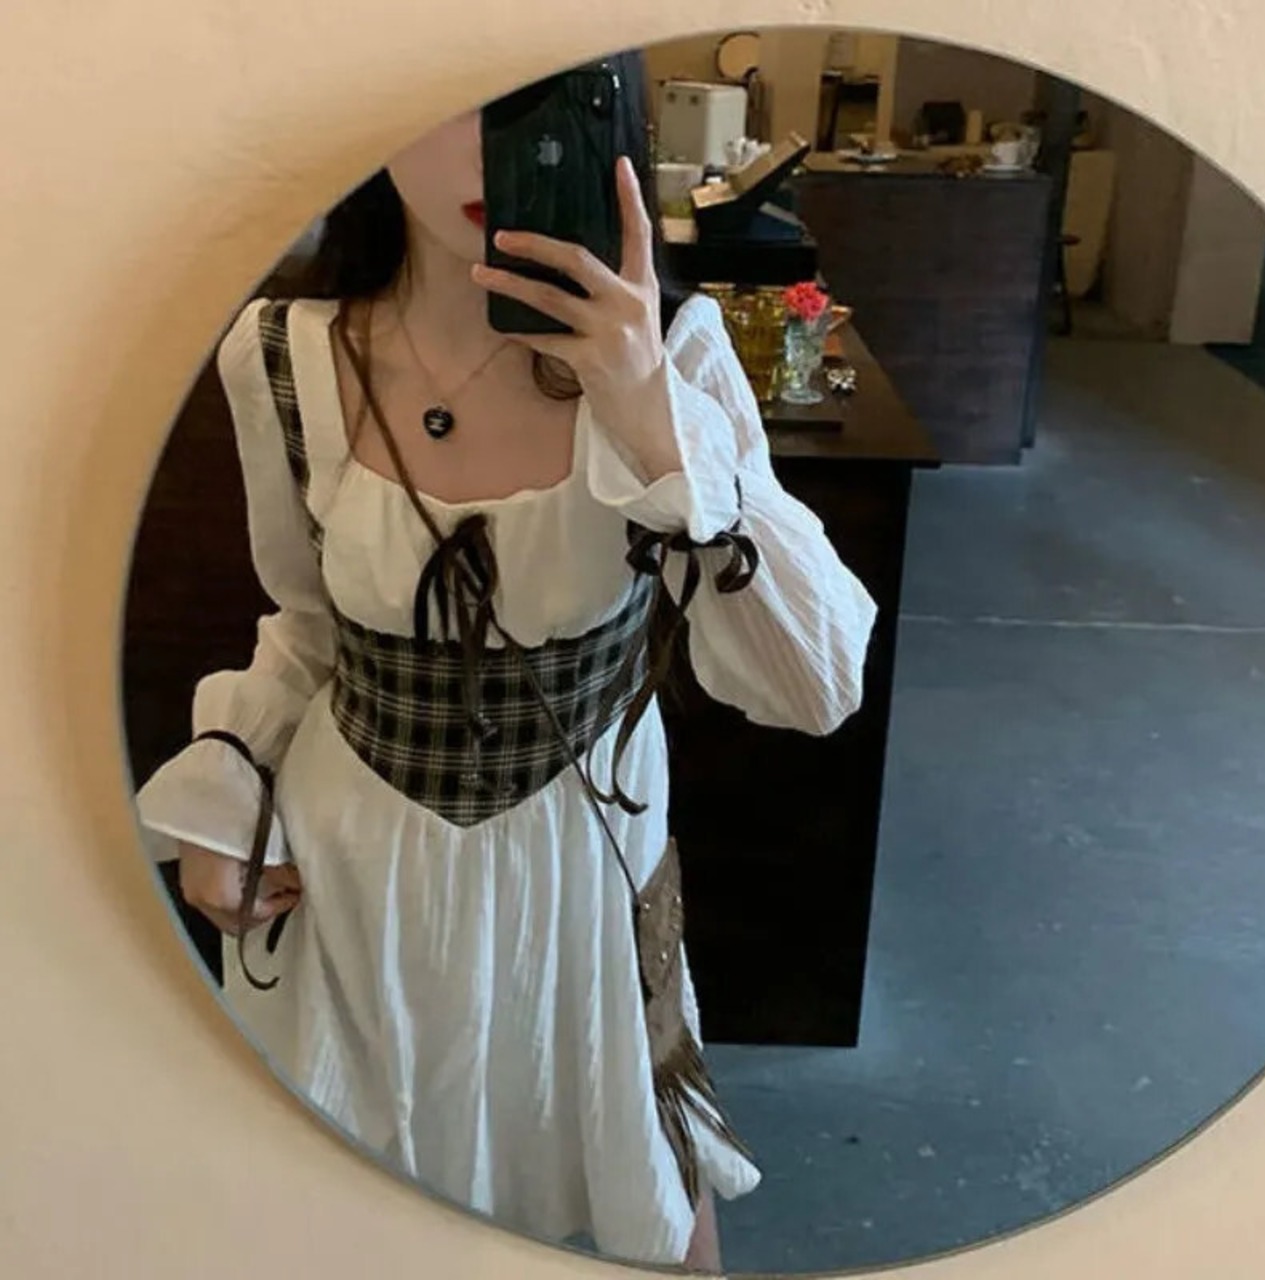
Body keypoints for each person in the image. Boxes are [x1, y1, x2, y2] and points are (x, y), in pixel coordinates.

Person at [136, 50, 877, 1272]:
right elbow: (307, 627)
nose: (492, 143)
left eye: (536, 95)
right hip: (354, 878)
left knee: (649, 1192)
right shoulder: (279, 356)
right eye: (447, 93)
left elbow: (814, 686)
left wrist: (647, 413)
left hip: (583, 870)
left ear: (606, 109)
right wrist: (226, 802)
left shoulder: (675, 352)